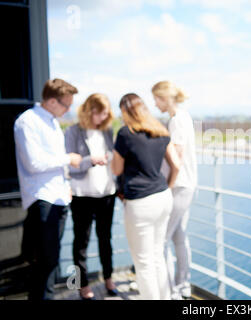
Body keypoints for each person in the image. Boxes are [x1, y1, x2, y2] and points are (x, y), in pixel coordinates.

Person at [14, 78, 82, 300]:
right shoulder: (28, 122)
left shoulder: (51, 121)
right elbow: (34, 163)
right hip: (43, 199)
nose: (69, 109)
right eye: (66, 104)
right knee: (45, 262)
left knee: (50, 261)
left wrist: (67, 184)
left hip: (59, 197)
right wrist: (68, 159)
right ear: (52, 101)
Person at [111, 93, 181, 300]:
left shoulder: (125, 134)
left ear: (125, 111)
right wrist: (167, 188)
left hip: (140, 202)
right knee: (158, 256)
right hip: (162, 196)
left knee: (143, 263)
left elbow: (116, 170)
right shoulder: (160, 130)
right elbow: (176, 165)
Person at [64, 93, 118, 300]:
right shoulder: (72, 132)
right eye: (100, 114)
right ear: (89, 111)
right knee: (81, 243)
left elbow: (114, 159)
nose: (104, 118)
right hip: (82, 195)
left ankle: (108, 279)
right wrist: (90, 160)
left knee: (106, 240)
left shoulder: (106, 131)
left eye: (106, 114)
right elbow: (71, 166)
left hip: (107, 194)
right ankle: (82, 285)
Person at [152, 81, 197, 299]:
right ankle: (182, 286)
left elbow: (175, 158)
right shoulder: (182, 117)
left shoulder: (177, 120)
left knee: (161, 240)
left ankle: (169, 292)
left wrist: (165, 186)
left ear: (164, 98)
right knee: (179, 236)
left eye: (156, 99)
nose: (154, 103)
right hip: (185, 185)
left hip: (178, 186)